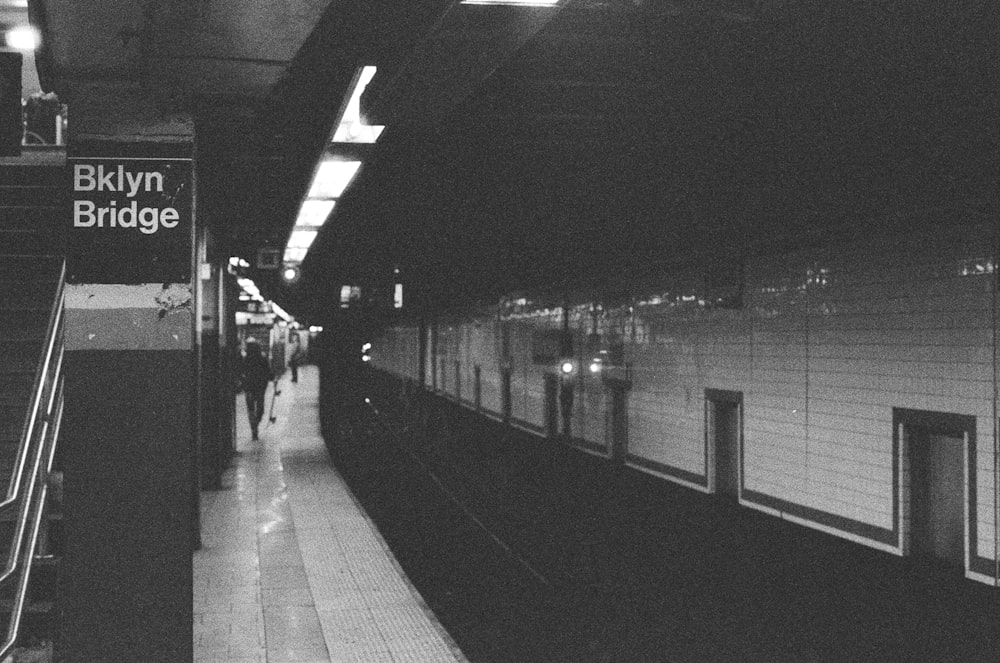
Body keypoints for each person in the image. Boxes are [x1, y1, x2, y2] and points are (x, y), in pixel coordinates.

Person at [240, 339, 272, 440]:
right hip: (260, 387)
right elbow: (268, 371)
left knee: (251, 409)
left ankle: (254, 428)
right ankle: (256, 423)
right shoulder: (262, 358)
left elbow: (241, 371)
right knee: (260, 408)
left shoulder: (245, 359)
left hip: (249, 387)